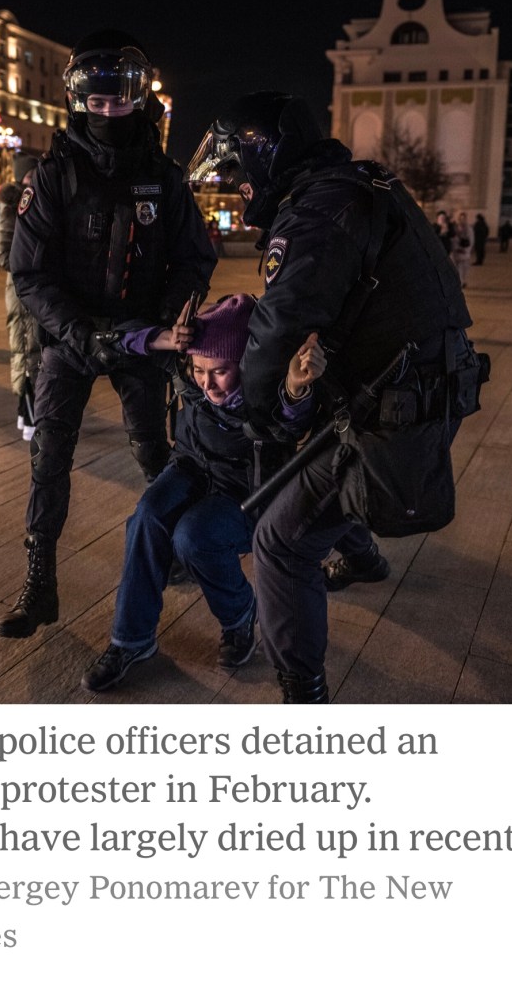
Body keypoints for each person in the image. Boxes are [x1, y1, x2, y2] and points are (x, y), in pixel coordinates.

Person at [187, 91, 477, 704]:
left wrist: (260, 414)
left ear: (266, 156)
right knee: (325, 491)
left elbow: (278, 328)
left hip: (393, 406)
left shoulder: (318, 211)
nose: (236, 186)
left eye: (238, 170)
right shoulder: (357, 185)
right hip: (419, 387)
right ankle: (365, 560)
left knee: (282, 541)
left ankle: (304, 694)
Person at [0, 29, 217, 639]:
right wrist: (76, 331)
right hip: (71, 342)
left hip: (141, 339)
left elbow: (195, 259)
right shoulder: (54, 175)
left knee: (153, 450)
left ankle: (174, 550)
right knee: (49, 458)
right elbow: (28, 271)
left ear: (139, 98)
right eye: (96, 98)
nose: (108, 109)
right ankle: (40, 582)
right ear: (77, 100)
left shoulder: (165, 178)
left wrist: (167, 320)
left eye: (120, 97)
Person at [81, 293, 326, 691]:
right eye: (198, 368)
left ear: (246, 364)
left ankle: (239, 615)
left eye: (221, 371)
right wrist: (166, 338)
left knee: (193, 536)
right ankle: (131, 640)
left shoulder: (264, 390)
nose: (207, 383)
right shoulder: (188, 370)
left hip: (248, 492)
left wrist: (298, 391)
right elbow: (116, 339)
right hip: (193, 467)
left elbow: (292, 422)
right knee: (146, 516)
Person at [0, 154, 41, 441]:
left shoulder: (42, 201)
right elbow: (4, 255)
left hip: (40, 288)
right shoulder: (11, 208)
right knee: (26, 352)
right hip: (21, 289)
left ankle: (29, 413)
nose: (33, 180)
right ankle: (28, 415)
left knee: (37, 352)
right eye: (29, 176)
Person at [451, 212, 474, 287]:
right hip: (456, 251)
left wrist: (467, 250)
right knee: (457, 268)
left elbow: (471, 240)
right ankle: (459, 282)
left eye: (463, 218)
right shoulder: (456, 228)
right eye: (460, 218)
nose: (462, 220)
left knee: (463, 268)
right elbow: (453, 239)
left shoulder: (469, 229)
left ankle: (462, 281)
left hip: (464, 252)